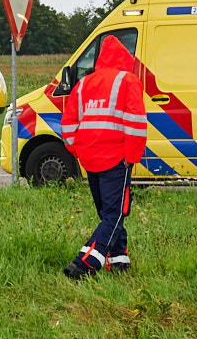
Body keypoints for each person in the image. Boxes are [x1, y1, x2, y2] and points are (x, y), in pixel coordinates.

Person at [58, 36, 148, 278]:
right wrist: (132, 157)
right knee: (115, 214)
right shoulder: (128, 81)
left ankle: (119, 263)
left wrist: (78, 150)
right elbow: (137, 124)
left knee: (107, 214)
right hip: (116, 159)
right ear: (124, 58)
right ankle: (84, 263)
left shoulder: (83, 84)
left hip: (89, 158)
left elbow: (67, 125)